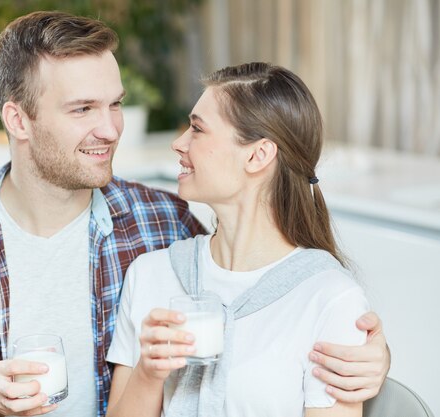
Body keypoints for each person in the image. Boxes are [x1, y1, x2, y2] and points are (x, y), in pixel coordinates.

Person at [0, 12, 389, 417]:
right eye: (83, 109)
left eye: (115, 104)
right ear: (17, 119)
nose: (112, 129)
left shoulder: (162, 223)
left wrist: (372, 355)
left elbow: (261, 284)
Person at [106, 63, 380, 417]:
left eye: (197, 129)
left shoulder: (331, 300)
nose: (178, 143)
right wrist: (148, 373)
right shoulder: (151, 275)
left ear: (257, 155)